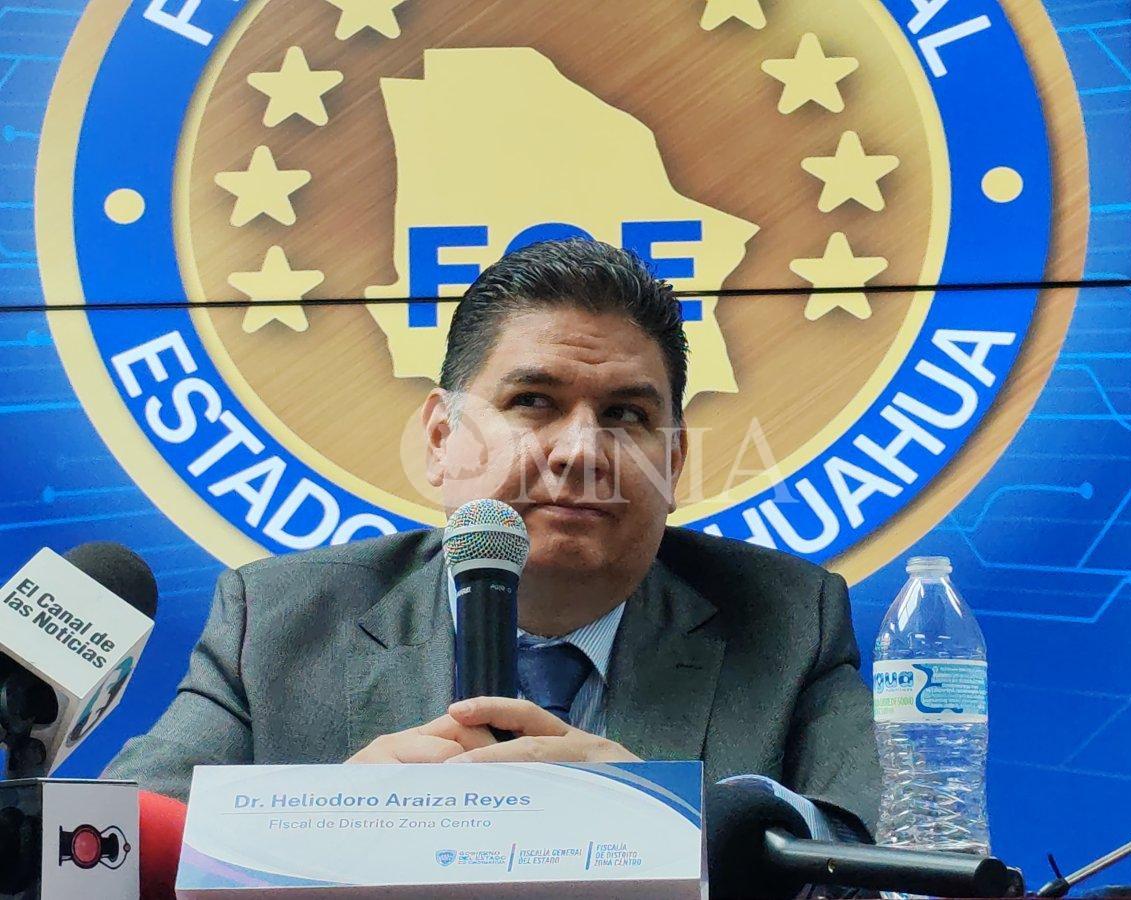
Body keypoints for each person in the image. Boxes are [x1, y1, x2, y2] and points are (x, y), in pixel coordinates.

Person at [104, 239, 881, 840]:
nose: (581, 451)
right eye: (534, 401)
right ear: (442, 439)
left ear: (673, 463)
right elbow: (109, 851)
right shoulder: (278, 622)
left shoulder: (787, 621)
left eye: (626, 415)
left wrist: (666, 823)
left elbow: (873, 858)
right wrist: (322, 825)